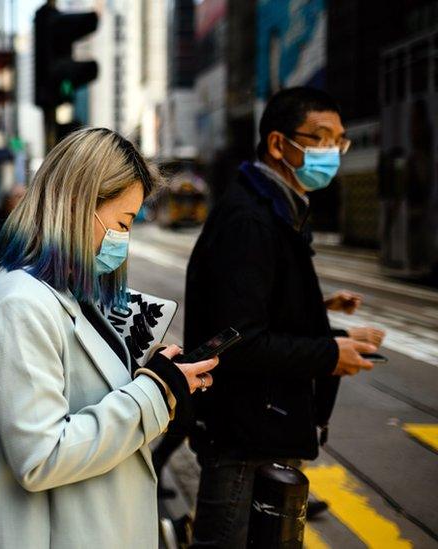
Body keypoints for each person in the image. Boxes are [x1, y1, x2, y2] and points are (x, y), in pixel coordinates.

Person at [0, 128, 218, 548]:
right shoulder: (21, 305)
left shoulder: (66, 290)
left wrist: (158, 380)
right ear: (80, 205)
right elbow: (41, 457)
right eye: (123, 222)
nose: (125, 239)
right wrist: (154, 392)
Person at [185, 87, 386, 548]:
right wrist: (329, 353)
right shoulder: (251, 220)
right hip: (246, 440)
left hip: (261, 430)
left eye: (340, 141)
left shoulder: (277, 210)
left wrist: (329, 327)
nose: (332, 152)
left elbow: (263, 312)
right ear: (279, 145)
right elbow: (236, 341)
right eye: (320, 138)